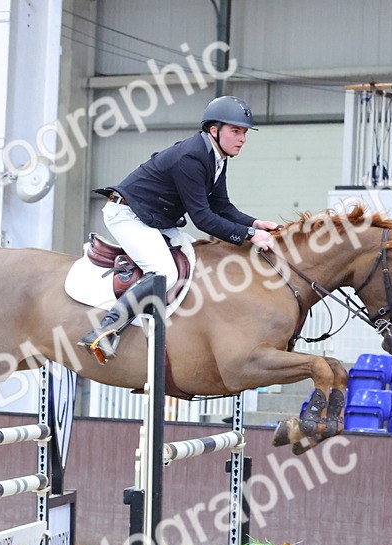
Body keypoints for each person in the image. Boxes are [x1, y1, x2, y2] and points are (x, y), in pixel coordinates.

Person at [78, 95, 280, 363]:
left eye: (244, 132)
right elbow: (204, 219)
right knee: (165, 272)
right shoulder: (192, 158)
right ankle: (104, 330)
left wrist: (254, 223)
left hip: (155, 219)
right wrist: (250, 236)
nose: (242, 138)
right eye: (235, 131)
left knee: (196, 262)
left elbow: (222, 206)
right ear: (214, 130)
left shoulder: (217, 156)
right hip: (127, 214)